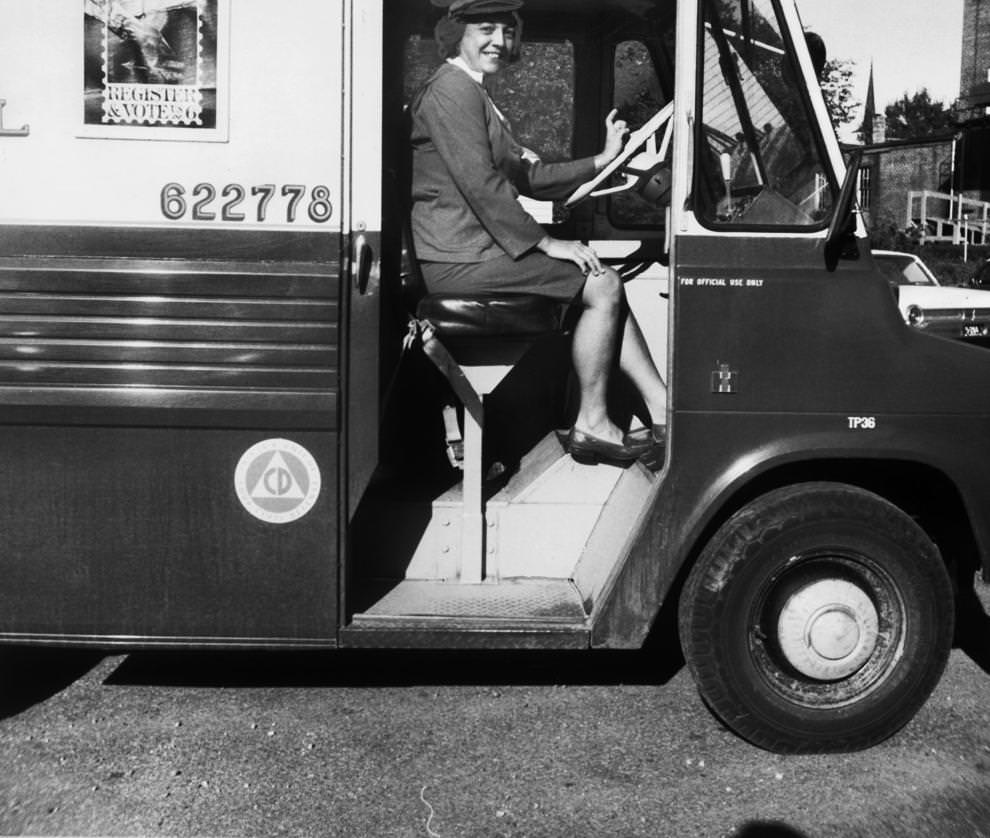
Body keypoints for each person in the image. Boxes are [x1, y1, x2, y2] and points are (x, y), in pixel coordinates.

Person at [410, 0, 667, 466]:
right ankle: (596, 421)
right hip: (459, 259)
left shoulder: (477, 94)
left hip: (474, 251)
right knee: (603, 283)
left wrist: (602, 159)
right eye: (485, 29)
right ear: (456, 34)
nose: (499, 42)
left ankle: (660, 407)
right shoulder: (451, 90)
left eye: (507, 32)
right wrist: (548, 243)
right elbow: (482, 187)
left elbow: (533, 176)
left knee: (600, 277)